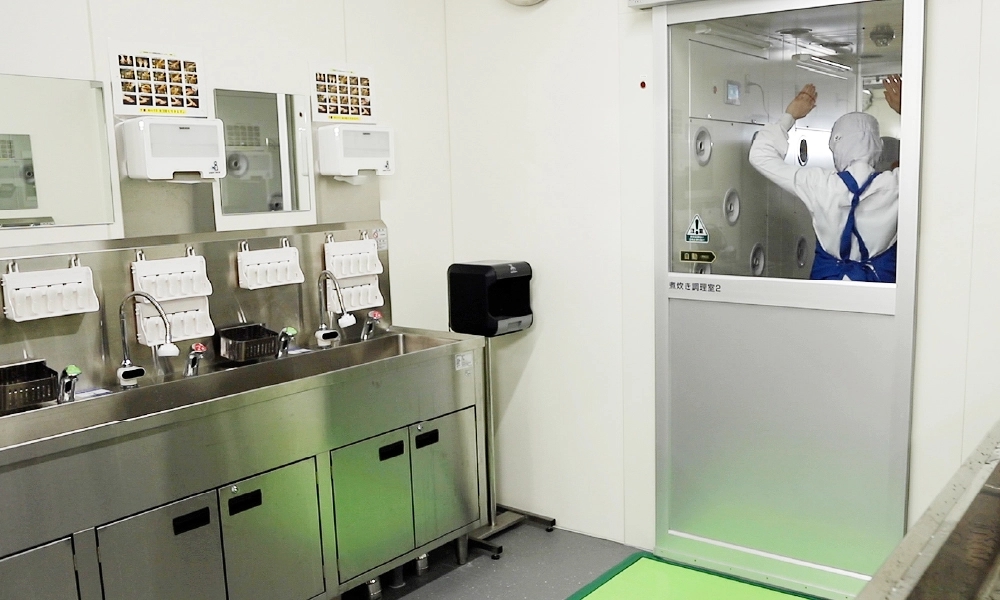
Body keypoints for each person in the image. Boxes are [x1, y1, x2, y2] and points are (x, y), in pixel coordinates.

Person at [748, 75, 902, 282]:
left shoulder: (818, 183)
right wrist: (908, 112)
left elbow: (760, 155)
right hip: (881, 291)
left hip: (827, 290)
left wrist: (790, 116)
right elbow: (941, 160)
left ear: (837, 146)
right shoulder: (897, 184)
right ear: (878, 147)